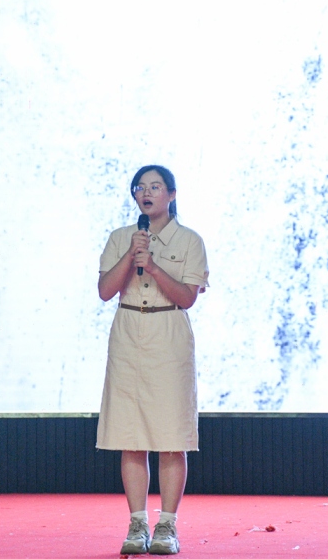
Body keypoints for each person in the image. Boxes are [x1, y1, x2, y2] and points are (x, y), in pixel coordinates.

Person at [96, 165, 209, 555]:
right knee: (131, 436)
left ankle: (167, 526)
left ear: (171, 195)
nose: (146, 193)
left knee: (170, 437)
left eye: (155, 187)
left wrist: (154, 265)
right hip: (128, 332)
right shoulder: (121, 238)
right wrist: (131, 255)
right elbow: (105, 291)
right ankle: (137, 523)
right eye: (140, 188)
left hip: (168, 334)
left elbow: (187, 297)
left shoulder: (190, 240)